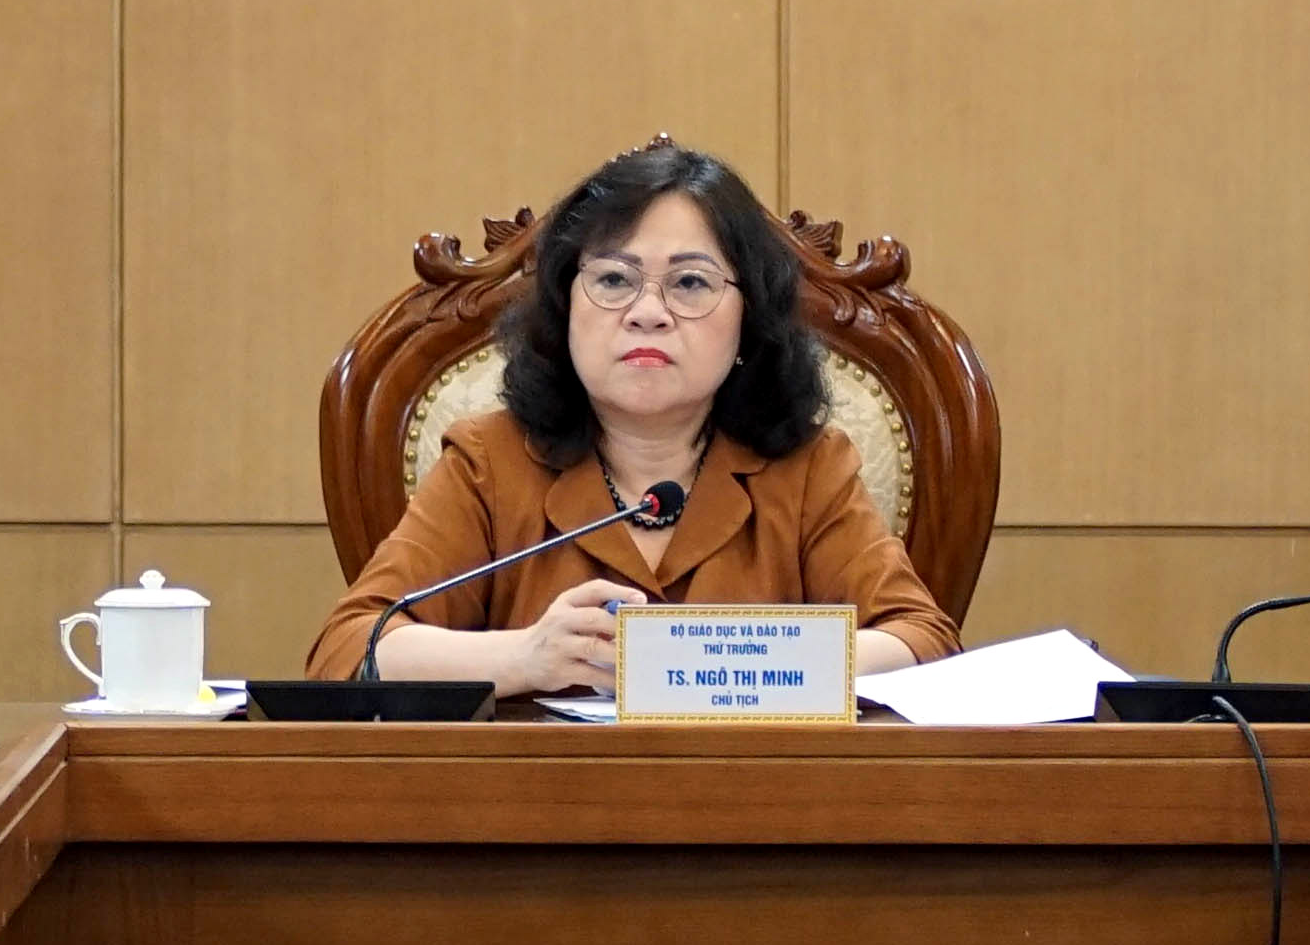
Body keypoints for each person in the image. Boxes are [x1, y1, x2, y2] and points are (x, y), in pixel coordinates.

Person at [307, 144, 952, 699]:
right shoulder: (490, 461)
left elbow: (924, 646)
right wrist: (525, 657)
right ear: (565, 309)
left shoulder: (808, 469)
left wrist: (727, 663)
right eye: (614, 279)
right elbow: (347, 650)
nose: (648, 312)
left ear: (748, 320)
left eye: (690, 283)